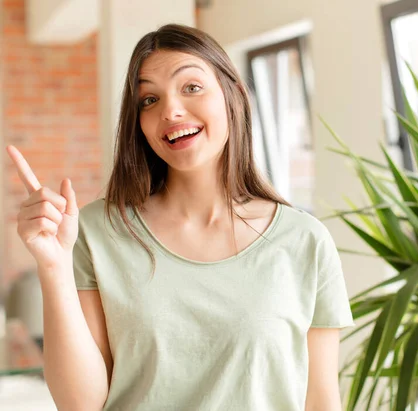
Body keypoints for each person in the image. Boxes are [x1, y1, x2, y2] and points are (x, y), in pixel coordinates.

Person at [6, 24, 354, 410]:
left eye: (191, 87)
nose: (169, 110)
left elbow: (321, 400)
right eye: (149, 100)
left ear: (234, 95)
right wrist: (53, 267)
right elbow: (80, 404)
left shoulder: (304, 240)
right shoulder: (94, 232)